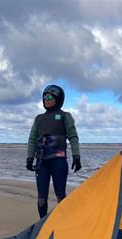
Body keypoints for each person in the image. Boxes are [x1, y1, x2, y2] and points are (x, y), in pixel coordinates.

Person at [26, 85, 81, 218]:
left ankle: (63, 223)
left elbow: (73, 136)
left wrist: (76, 156)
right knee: (41, 197)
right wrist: (29, 157)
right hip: (41, 162)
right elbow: (32, 139)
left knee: (60, 194)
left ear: (58, 99)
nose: (46, 99)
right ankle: (42, 224)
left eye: (50, 97)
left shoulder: (65, 116)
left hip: (59, 161)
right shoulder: (39, 119)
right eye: (44, 97)